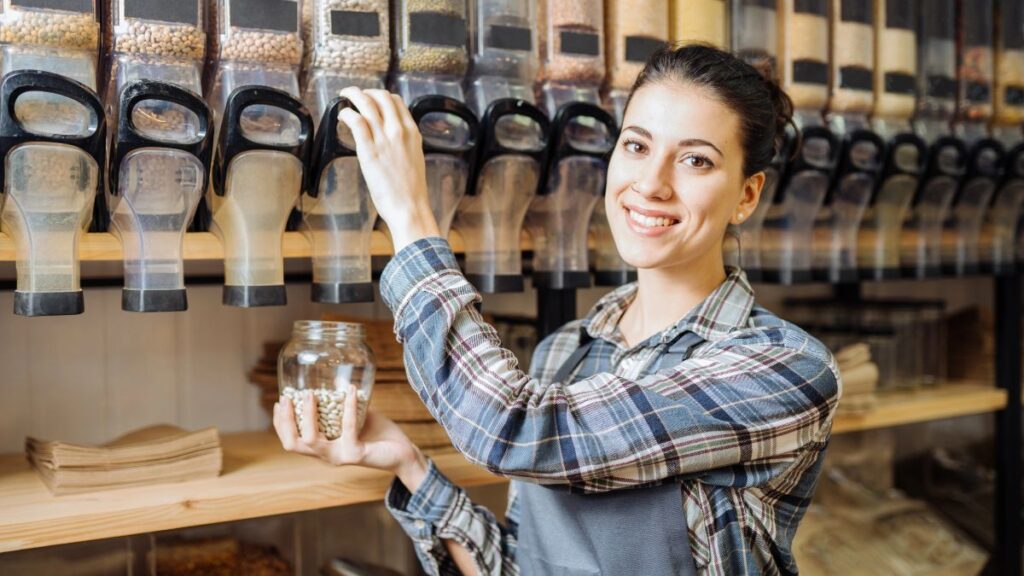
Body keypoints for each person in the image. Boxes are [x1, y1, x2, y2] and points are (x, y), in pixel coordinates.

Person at [273, 44, 841, 576]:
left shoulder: (781, 368)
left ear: (746, 195)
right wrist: (407, 463)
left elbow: (512, 428)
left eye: (695, 160)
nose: (652, 183)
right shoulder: (566, 353)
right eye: (637, 146)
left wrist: (413, 220)